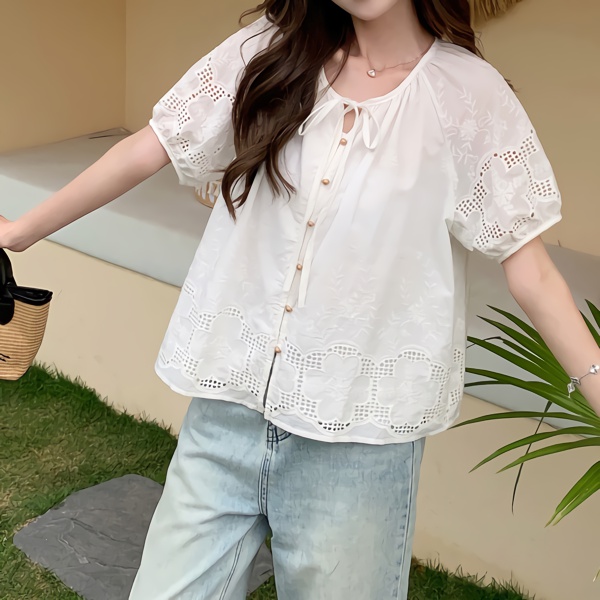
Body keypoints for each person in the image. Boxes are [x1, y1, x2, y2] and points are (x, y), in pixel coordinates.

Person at [1, 1, 599, 598]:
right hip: (227, 414)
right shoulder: (273, 52)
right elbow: (150, 146)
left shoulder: (469, 97)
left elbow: (533, 273)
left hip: (357, 445)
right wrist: (21, 231)